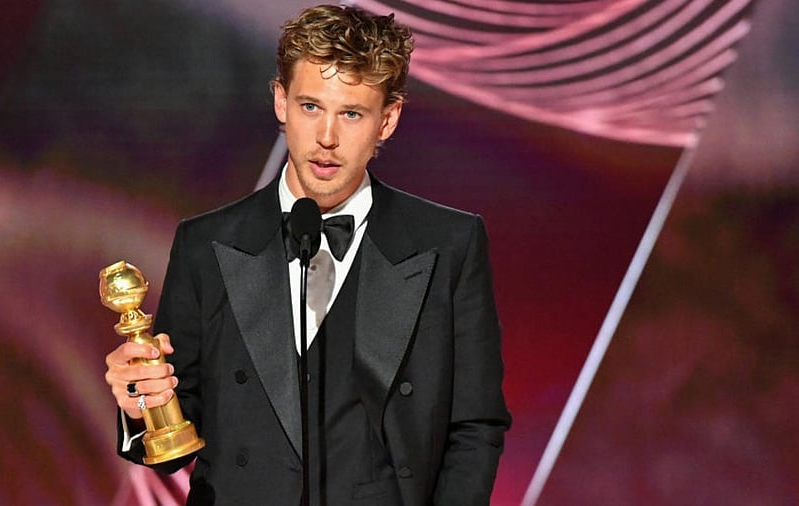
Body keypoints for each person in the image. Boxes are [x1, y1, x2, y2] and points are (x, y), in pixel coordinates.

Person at [104, 4, 511, 505]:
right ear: (281, 101)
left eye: (352, 113)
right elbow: (171, 443)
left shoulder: (449, 244)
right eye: (311, 107)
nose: (327, 138)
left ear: (388, 119)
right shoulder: (205, 244)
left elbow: (475, 427)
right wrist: (140, 403)